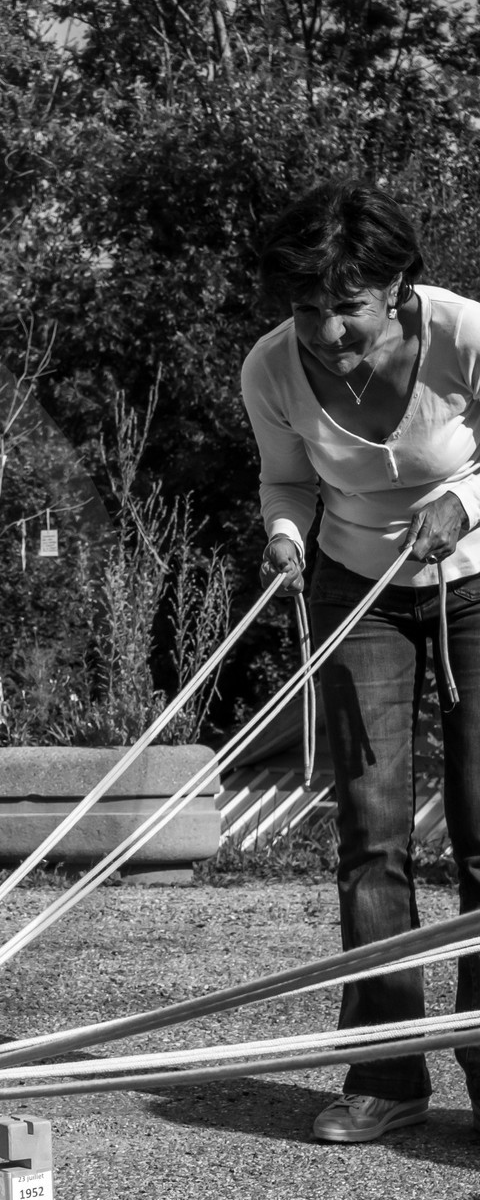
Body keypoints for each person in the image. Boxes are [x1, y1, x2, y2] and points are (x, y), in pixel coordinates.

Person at [244, 180, 480, 1144]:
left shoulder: (467, 336)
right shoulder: (271, 367)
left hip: (476, 579)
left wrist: (463, 505)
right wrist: (286, 535)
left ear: (400, 291)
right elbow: (286, 478)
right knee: (372, 836)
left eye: (348, 306)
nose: (327, 330)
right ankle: (386, 1075)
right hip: (355, 587)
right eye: (308, 308)